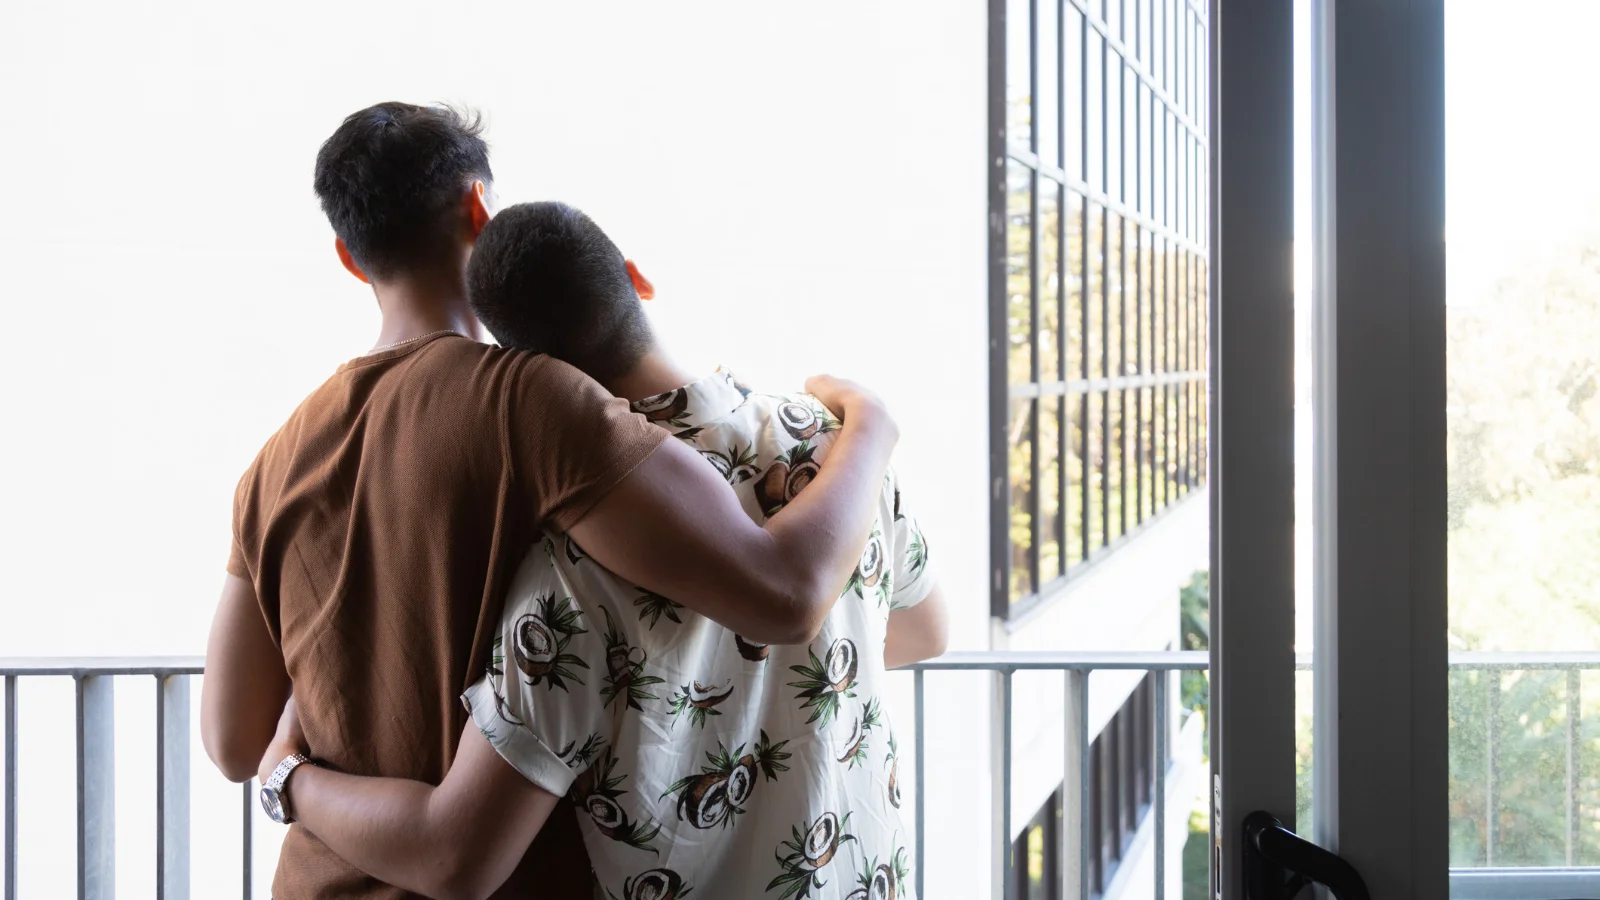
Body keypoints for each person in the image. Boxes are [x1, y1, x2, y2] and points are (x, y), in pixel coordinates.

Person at [200, 105, 900, 899]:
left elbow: (230, 741)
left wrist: (290, 775)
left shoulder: (273, 464)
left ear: (350, 259)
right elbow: (778, 594)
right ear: (477, 208)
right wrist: (871, 425)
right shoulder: (529, 401)